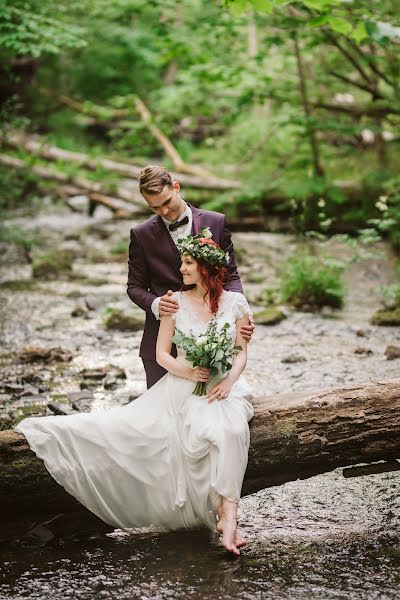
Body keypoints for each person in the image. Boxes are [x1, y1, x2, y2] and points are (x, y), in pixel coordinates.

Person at [15, 231, 254, 556]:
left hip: (226, 386)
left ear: (206, 268)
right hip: (185, 386)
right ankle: (226, 521)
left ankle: (229, 520)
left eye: (187, 263)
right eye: (181, 262)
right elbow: (162, 355)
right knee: (202, 432)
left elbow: (240, 351)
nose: (181, 269)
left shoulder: (236, 303)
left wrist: (228, 381)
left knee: (233, 429)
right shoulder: (174, 303)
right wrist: (189, 372)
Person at [127, 165, 255, 389]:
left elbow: (230, 273)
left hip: (213, 335)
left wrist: (237, 311)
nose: (164, 211)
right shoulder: (141, 234)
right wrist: (157, 304)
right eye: (155, 207)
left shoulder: (216, 222)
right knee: (161, 417)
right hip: (162, 342)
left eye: (167, 202)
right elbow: (135, 287)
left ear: (176, 187)